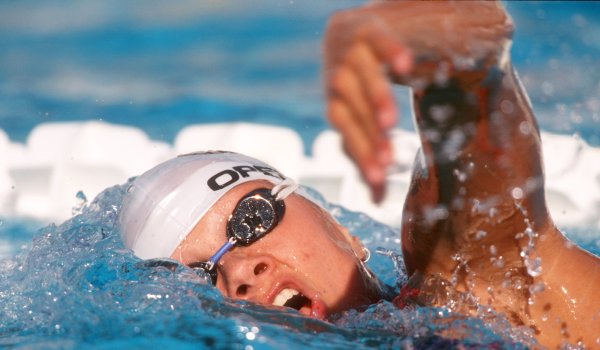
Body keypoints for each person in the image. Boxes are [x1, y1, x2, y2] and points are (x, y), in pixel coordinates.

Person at [118, 2, 599, 348]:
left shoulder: (467, 289)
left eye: (252, 219)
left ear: (344, 230)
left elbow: (474, 155)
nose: (241, 271)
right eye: (203, 277)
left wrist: (453, 57)